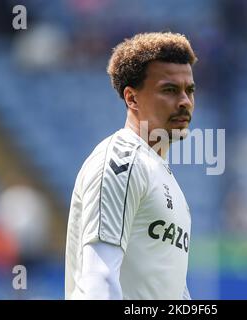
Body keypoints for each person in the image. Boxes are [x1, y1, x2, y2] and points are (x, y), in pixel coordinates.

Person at [65, 32, 197, 299]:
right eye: (170, 90)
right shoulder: (122, 162)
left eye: (189, 90)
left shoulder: (165, 178)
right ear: (132, 98)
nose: (184, 101)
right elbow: (98, 279)